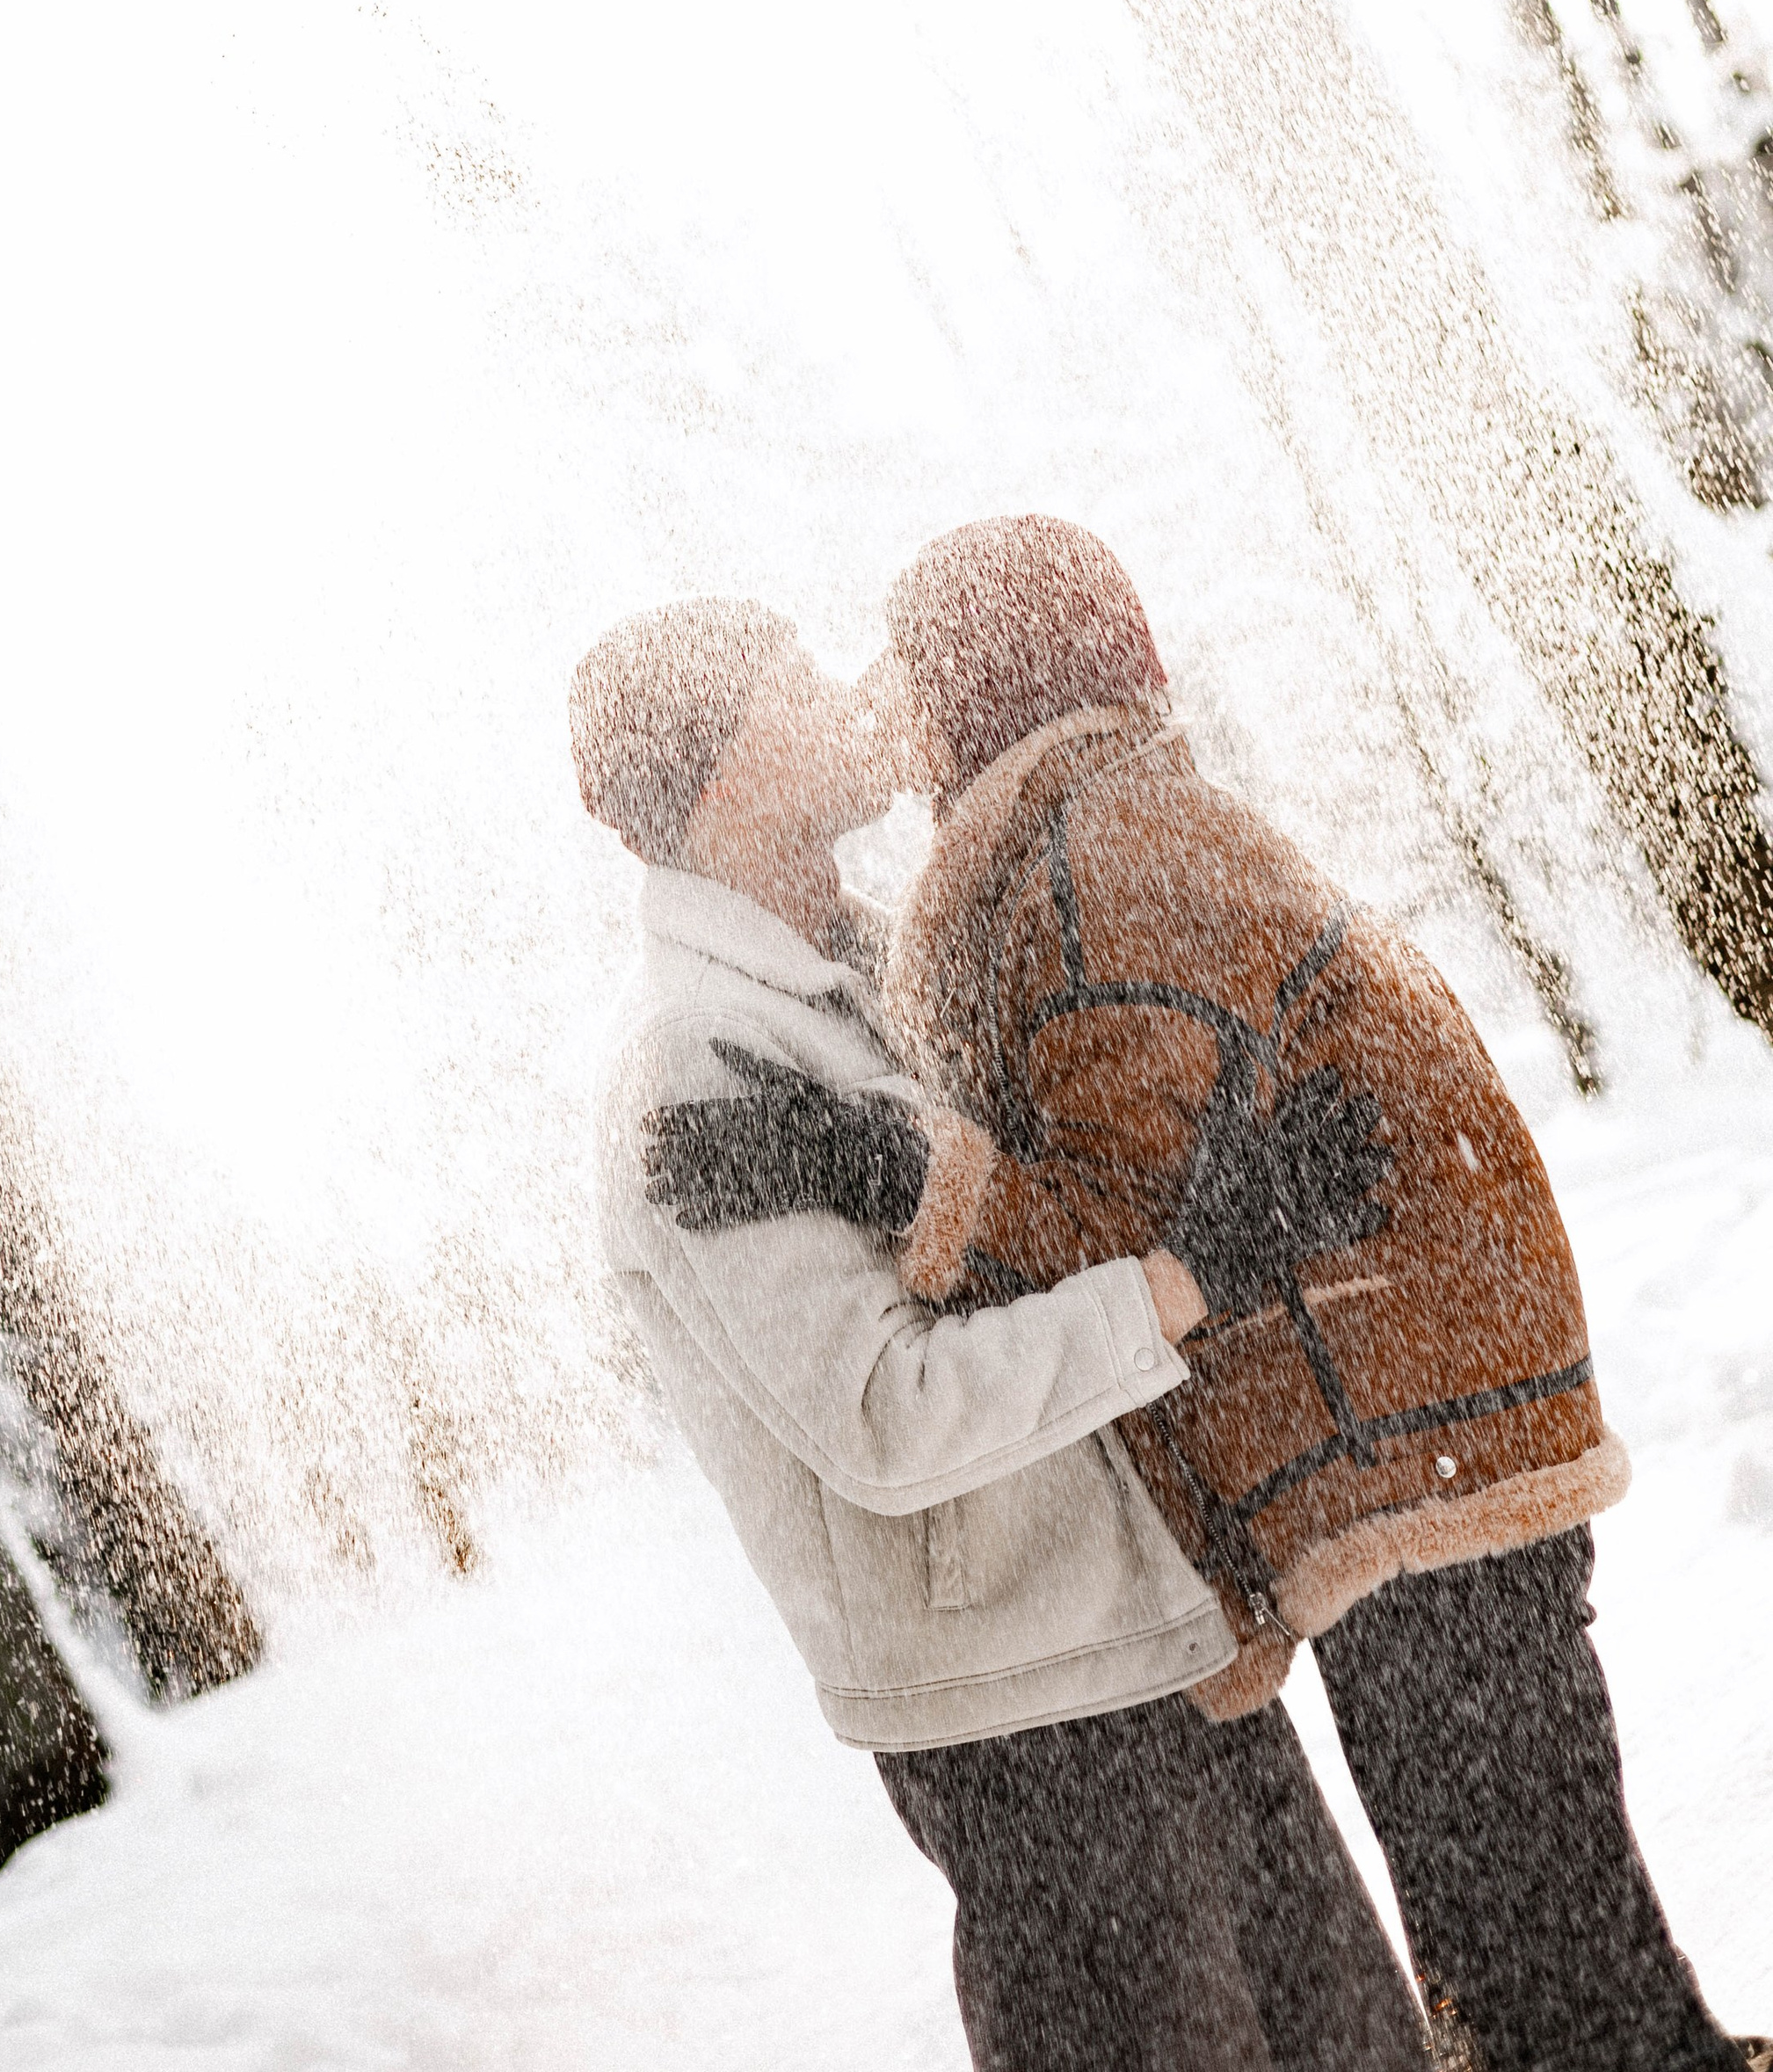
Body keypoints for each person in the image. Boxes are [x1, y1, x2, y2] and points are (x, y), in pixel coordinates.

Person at [649, 518, 1754, 2072]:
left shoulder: (1090, 864)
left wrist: (881, 1173)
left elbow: (1143, 1217)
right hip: (1403, 1420)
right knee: (1531, 1944)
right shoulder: (1074, 844)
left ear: (980, 679)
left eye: (906, 658)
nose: (876, 694)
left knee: (1539, 1968)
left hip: (1404, 1430)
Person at [575, 593, 1428, 2072]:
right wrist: (1177, 1283)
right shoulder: (694, 1068)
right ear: (723, 780)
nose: (849, 686)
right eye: (798, 678)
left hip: (1148, 1621)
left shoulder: (884, 964)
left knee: (1357, 2043)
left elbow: (1023, 1210)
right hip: (1020, 1717)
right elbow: (887, 1416)